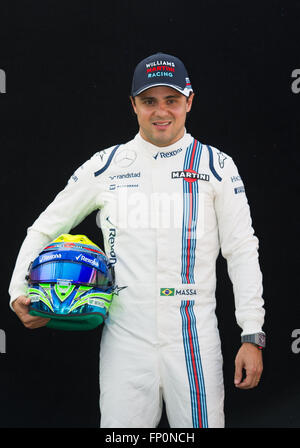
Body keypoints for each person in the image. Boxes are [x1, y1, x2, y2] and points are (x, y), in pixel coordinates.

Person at [9, 52, 265, 428]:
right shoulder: (106, 165)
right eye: (149, 101)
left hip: (193, 342)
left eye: (172, 100)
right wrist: (19, 291)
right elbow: (43, 229)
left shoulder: (217, 167)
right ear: (133, 105)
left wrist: (252, 333)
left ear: (189, 101)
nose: (161, 112)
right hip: (125, 342)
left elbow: (242, 250)